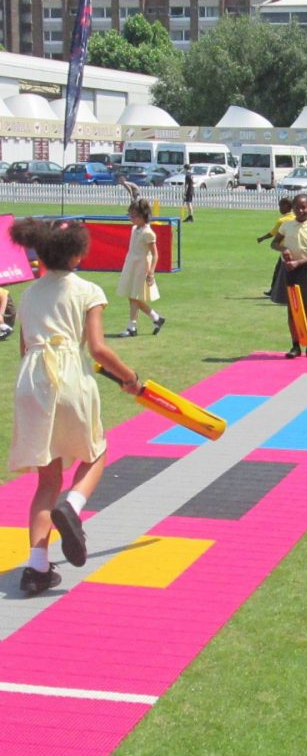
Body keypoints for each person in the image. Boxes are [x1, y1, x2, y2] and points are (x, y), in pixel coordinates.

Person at [8, 217, 142, 594]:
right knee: (96, 452)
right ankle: (73, 505)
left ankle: (36, 567)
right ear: (79, 254)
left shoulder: (30, 293)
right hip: (68, 375)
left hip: (32, 381)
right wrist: (130, 377)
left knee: (46, 480)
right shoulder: (88, 290)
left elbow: (25, 347)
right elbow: (97, 348)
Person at [270, 193, 307, 359]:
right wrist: (284, 249)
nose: (300, 210)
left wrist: (299, 263)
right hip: (288, 270)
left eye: (304, 207)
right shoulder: (286, 226)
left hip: (305, 270)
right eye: (297, 207)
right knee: (292, 308)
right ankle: (295, 346)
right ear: (292, 208)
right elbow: (274, 243)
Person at [116, 198, 166, 338]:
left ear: (143, 216)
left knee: (134, 297)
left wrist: (151, 272)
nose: (131, 219)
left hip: (142, 267)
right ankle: (156, 318)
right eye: (131, 216)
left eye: (134, 216)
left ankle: (132, 327)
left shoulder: (148, 233)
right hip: (131, 264)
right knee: (132, 297)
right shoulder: (135, 229)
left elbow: (155, 254)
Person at [256, 197, 294, 297]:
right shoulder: (295, 218)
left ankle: (274, 291)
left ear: (286, 206)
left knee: (279, 271)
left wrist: (262, 238)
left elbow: (273, 233)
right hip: (295, 248)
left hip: (284, 250)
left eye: (280, 206)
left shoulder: (282, 220)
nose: (279, 208)